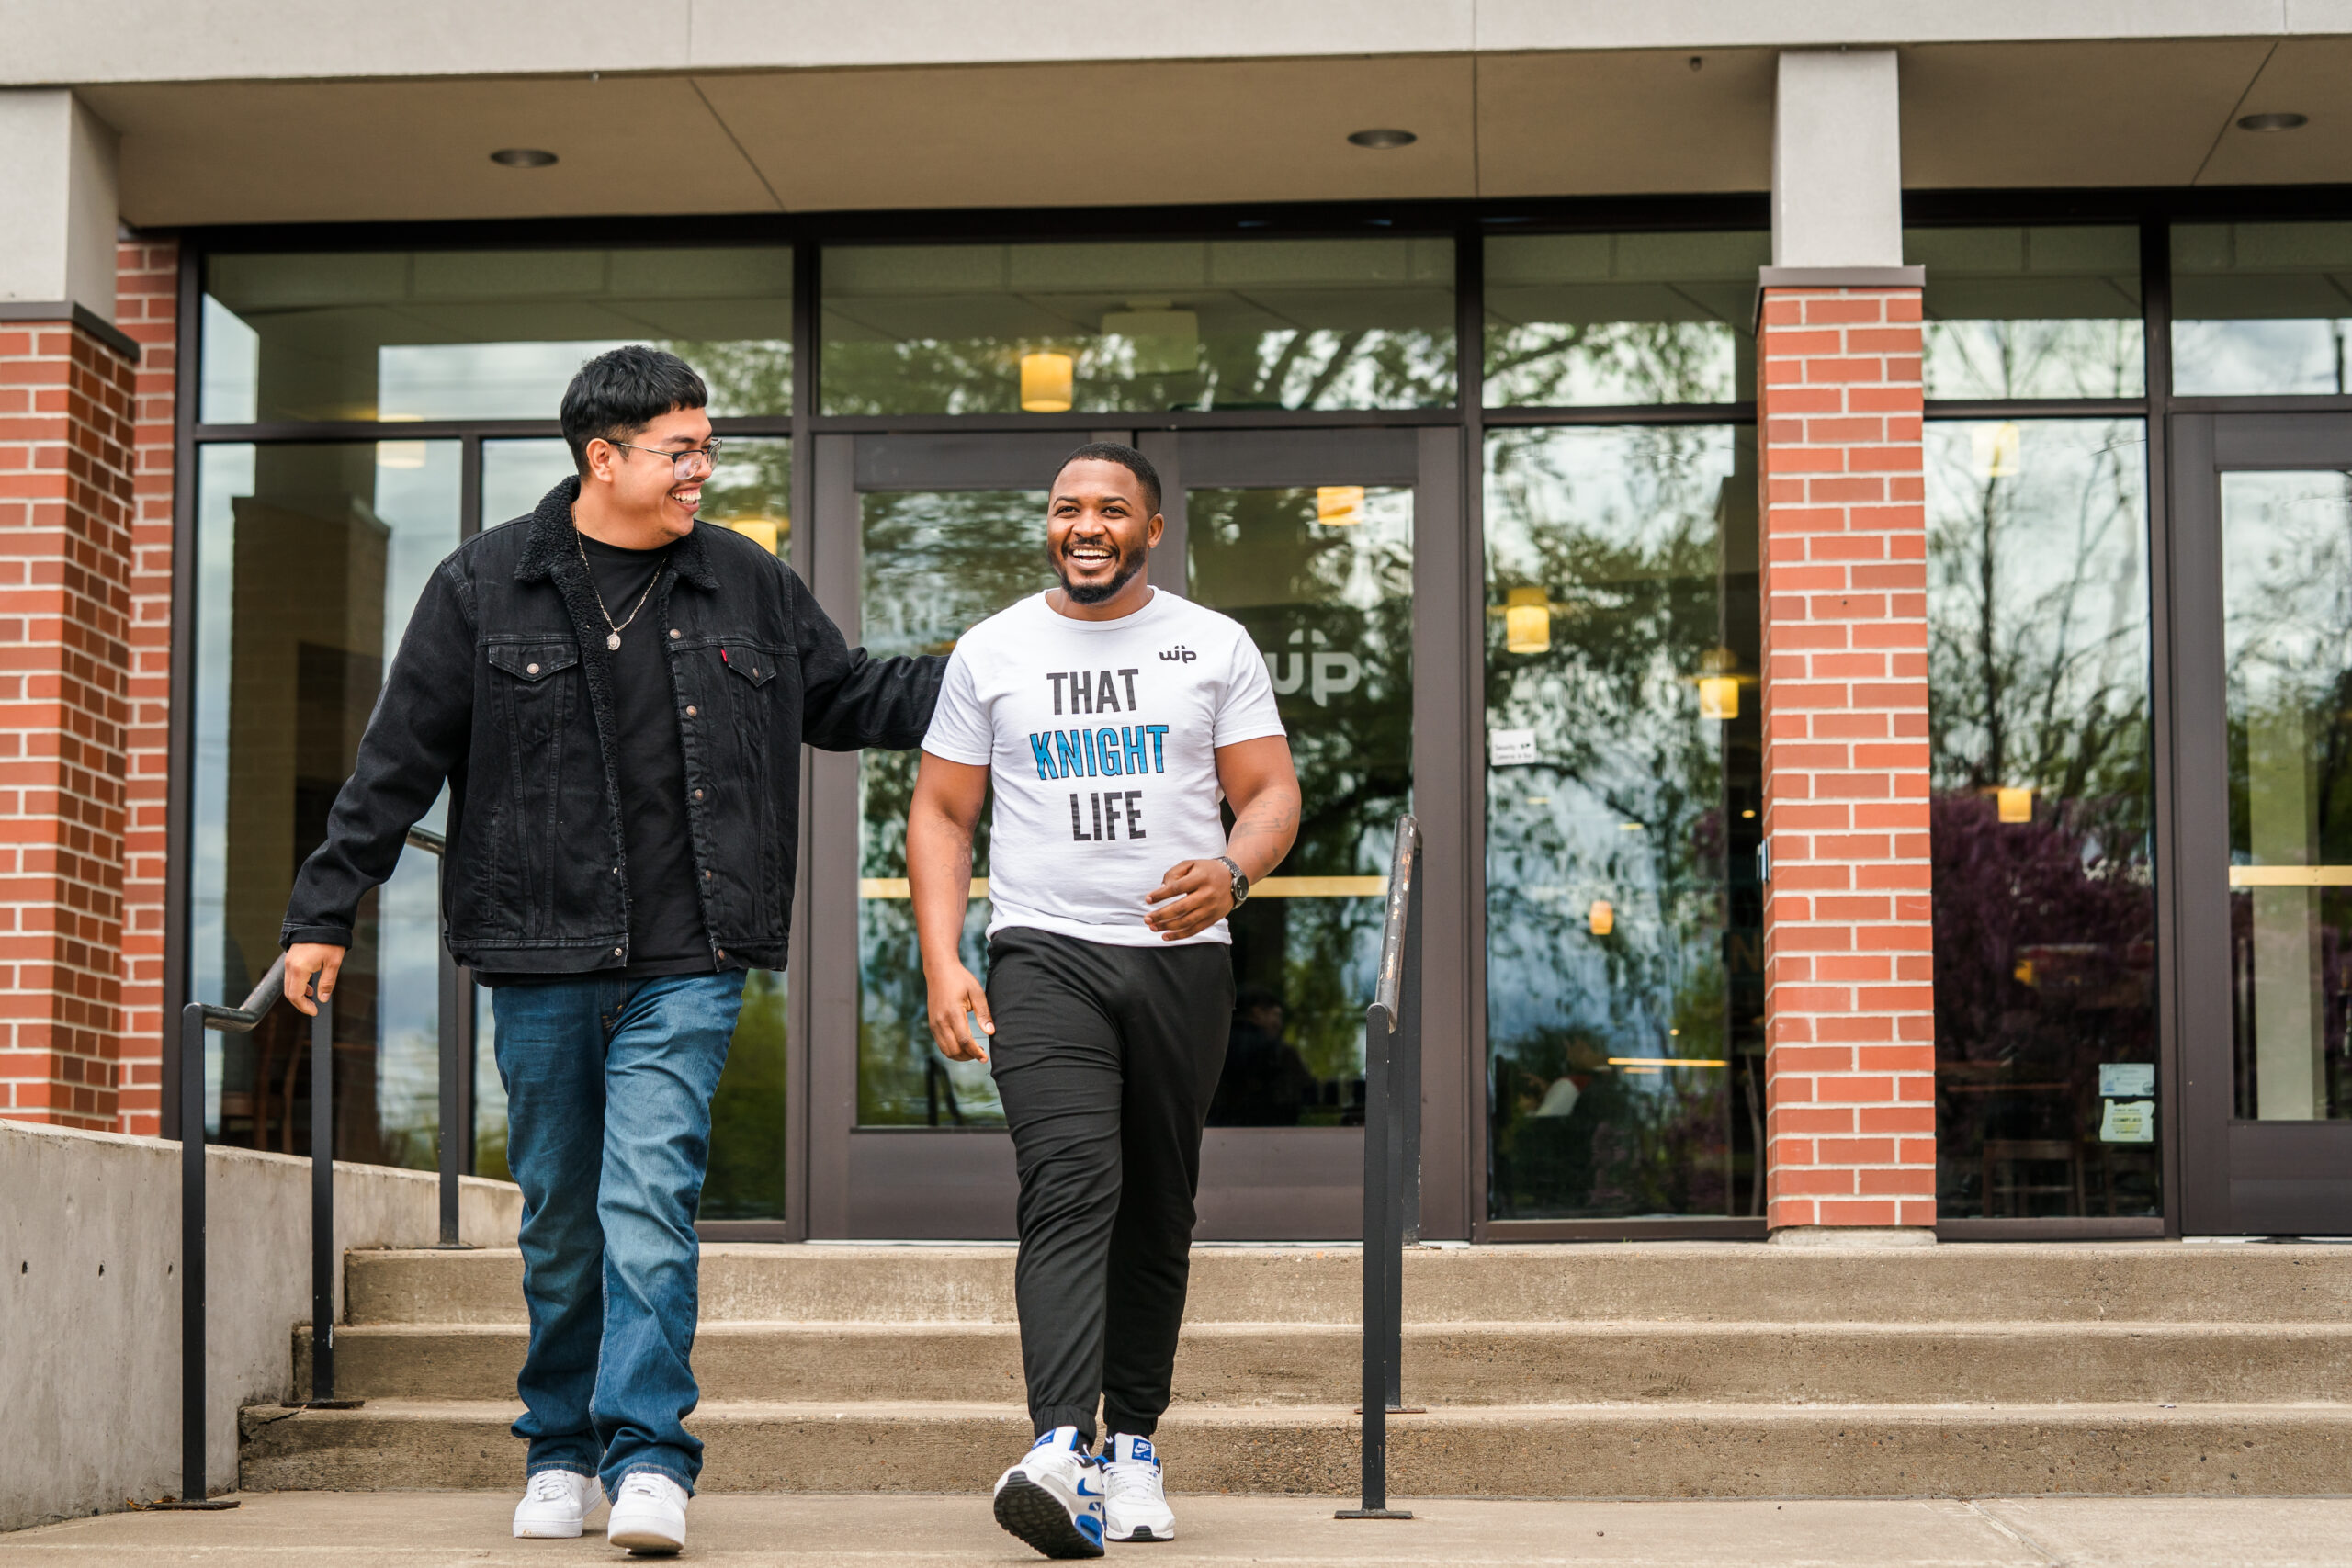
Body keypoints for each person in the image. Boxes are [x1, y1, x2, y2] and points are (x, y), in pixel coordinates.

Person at [278, 346, 941, 1555]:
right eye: (680, 450)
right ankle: (557, 1443)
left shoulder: (745, 581)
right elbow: (396, 759)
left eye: (706, 448)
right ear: (604, 455)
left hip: (689, 956)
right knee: (561, 1218)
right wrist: (326, 910)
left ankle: (646, 1455)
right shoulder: (485, 583)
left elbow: (848, 696)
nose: (703, 470)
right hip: (537, 950)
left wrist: (1006, 675)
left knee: (649, 1197)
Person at [907, 443, 1301, 1557]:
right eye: (1067, 507)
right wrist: (944, 958)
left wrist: (1233, 871)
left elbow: (1269, 790)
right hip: (1044, 954)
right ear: (1049, 525)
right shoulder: (992, 651)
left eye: (1111, 509)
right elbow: (941, 813)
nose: (1086, 524)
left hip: (1182, 961)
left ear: (1151, 528)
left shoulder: (1210, 643)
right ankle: (1055, 1445)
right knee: (1070, 1183)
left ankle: (1132, 1440)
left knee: (1157, 1203)